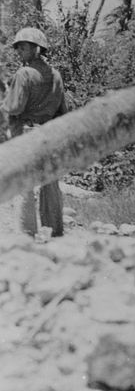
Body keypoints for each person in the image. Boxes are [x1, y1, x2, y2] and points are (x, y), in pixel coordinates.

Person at [4, 27, 68, 238]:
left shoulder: (23, 74)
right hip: (49, 133)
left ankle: (26, 232)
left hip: (26, 133)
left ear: (36, 49)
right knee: (50, 181)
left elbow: (15, 107)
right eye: (18, 48)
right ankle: (55, 229)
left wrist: (4, 102)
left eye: (23, 47)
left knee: (24, 182)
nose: (19, 51)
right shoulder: (56, 76)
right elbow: (62, 111)